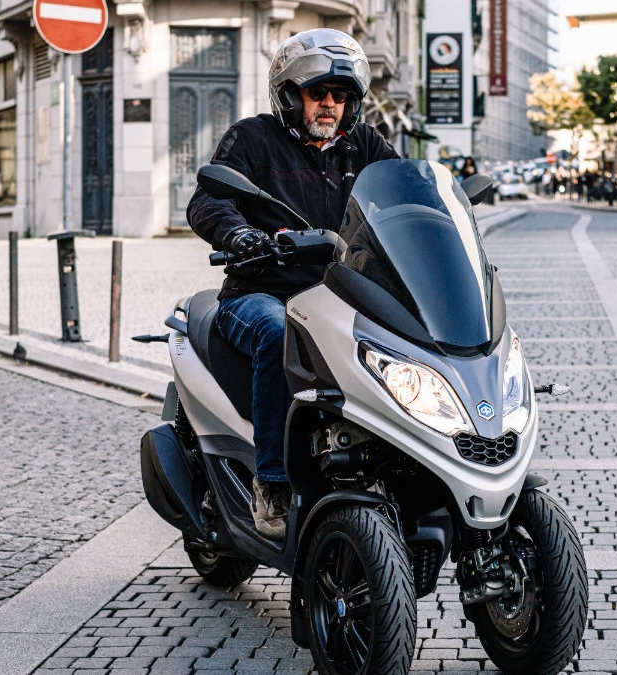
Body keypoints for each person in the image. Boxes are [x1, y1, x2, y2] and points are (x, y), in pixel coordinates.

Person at [187, 28, 398, 541]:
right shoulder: (252, 138)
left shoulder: (365, 146)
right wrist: (239, 234)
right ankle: (273, 483)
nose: (330, 104)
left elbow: (403, 194)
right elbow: (208, 199)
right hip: (260, 293)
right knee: (278, 330)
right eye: (317, 92)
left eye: (340, 95)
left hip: (341, 296)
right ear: (289, 95)